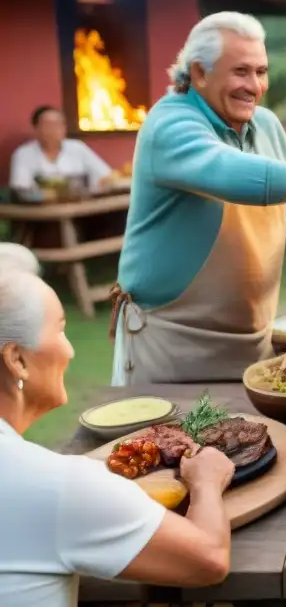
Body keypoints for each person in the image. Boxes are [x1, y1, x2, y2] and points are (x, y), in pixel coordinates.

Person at [110, 12, 286, 386]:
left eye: (261, 71)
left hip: (252, 345)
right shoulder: (169, 125)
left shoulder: (266, 125)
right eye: (241, 72)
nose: (255, 85)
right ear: (199, 73)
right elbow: (231, 174)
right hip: (171, 344)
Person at [0, 248, 239, 605]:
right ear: (17, 359)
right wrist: (206, 482)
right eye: (61, 330)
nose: (70, 351)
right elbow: (208, 559)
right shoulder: (58, 487)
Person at [9, 106, 112, 194]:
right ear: (36, 129)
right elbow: (20, 189)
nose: (54, 129)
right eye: (48, 125)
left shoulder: (77, 148)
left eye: (59, 124)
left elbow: (106, 176)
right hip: (42, 212)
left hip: (81, 208)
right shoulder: (24, 154)